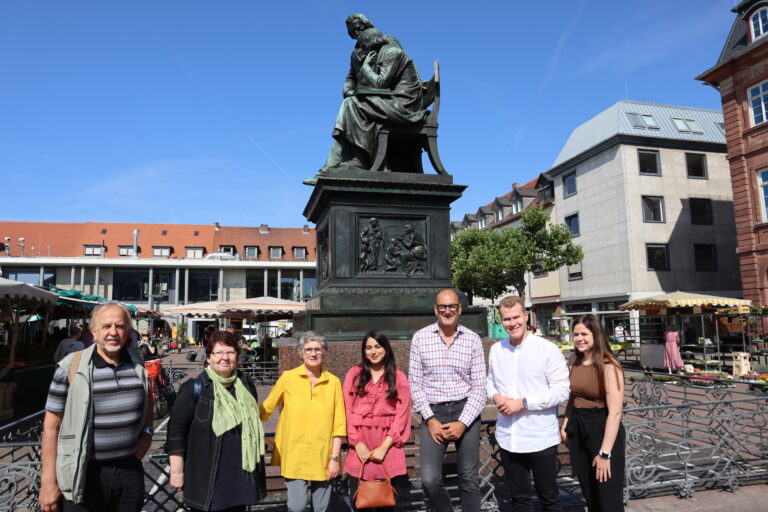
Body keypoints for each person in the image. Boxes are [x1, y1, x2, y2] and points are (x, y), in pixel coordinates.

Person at [38, 303, 153, 512]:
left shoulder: (137, 363)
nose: (113, 332)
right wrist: (48, 482)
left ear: (128, 331)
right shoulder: (70, 367)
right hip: (83, 472)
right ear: (93, 332)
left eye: (119, 326)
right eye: (106, 326)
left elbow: (147, 398)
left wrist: (147, 432)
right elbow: (51, 427)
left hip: (129, 471)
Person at [486, 295, 570, 511]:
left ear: (525, 316)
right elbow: (490, 382)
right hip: (509, 437)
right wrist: (496, 397)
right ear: (500, 320)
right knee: (519, 499)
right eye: (506, 319)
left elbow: (562, 390)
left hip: (539, 436)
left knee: (549, 498)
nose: (512, 323)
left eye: (516, 317)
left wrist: (524, 402)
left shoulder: (547, 349)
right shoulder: (497, 350)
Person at [167, 330, 266, 512]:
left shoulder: (245, 383)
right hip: (207, 477)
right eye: (218, 352)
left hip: (241, 474)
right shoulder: (194, 388)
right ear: (208, 357)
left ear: (237, 356)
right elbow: (176, 433)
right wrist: (177, 472)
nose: (224, 358)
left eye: (230, 352)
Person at [409, 289, 485, 512]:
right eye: (443, 306)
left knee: (469, 477)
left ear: (460, 309)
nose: (447, 310)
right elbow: (416, 384)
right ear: (435, 309)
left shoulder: (472, 340)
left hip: (466, 410)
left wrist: (463, 422)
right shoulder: (420, 338)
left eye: (452, 306)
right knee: (430, 479)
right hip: (433, 412)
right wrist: (430, 419)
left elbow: (480, 386)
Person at [259, 331, 346, 512]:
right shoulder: (288, 378)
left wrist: (335, 459)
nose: (313, 354)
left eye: (317, 349)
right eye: (308, 350)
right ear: (300, 353)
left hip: (323, 455)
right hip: (294, 454)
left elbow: (339, 424)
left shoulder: (334, 383)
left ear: (324, 352)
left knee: (321, 508)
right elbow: (266, 408)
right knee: (297, 507)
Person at [323, 27, 428, 171]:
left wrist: (366, 67)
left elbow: (380, 83)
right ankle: (340, 163)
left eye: (364, 45)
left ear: (371, 42)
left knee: (351, 104)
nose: (362, 50)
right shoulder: (381, 54)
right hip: (392, 101)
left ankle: (360, 160)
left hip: (404, 105)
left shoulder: (393, 53)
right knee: (351, 103)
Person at [560, 314, 625, 512]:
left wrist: (605, 454)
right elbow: (572, 397)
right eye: (576, 334)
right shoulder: (573, 361)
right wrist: (565, 424)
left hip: (602, 429)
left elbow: (615, 413)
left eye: (584, 334)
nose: (579, 338)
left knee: (607, 496)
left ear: (596, 335)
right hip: (579, 429)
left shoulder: (609, 365)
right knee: (589, 492)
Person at [343, 331, 411, 511]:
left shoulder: (398, 377)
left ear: (386, 348)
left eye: (377, 346)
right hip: (360, 443)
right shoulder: (354, 374)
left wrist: (384, 447)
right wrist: (357, 443)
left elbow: (401, 416)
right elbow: (347, 411)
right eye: (368, 347)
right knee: (357, 501)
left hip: (386, 445)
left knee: (384, 502)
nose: (373, 351)